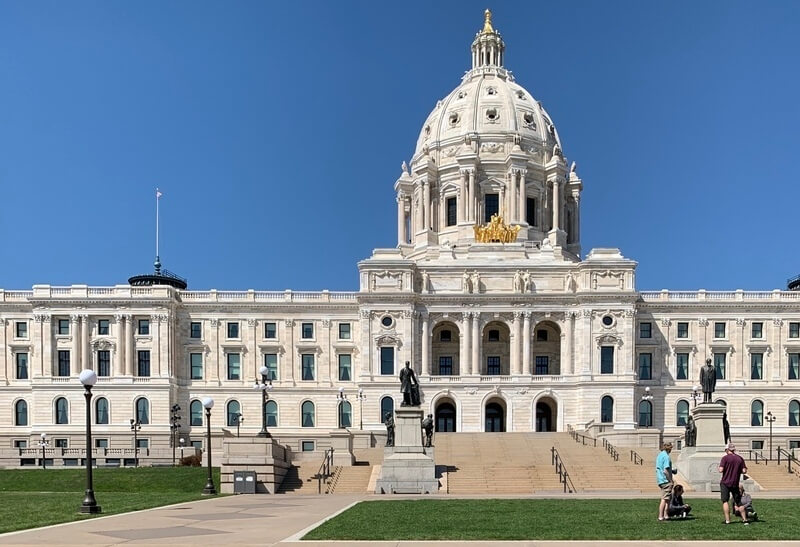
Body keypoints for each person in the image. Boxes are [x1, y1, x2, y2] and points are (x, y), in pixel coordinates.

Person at [719, 442, 749, 525]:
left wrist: (720, 468)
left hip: (725, 482)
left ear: (727, 450)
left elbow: (721, 470)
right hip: (735, 482)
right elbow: (744, 471)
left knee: (725, 501)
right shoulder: (740, 458)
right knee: (738, 502)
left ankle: (728, 520)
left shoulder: (725, 458)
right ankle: (745, 520)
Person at [656, 442, 675, 521]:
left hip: (660, 479)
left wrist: (672, 471)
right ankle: (661, 516)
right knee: (664, 499)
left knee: (668, 498)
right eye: (671, 448)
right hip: (665, 480)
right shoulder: (666, 456)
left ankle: (666, 515)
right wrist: (671, 480)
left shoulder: (660, 455)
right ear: (669, 448)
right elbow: (665, 470)